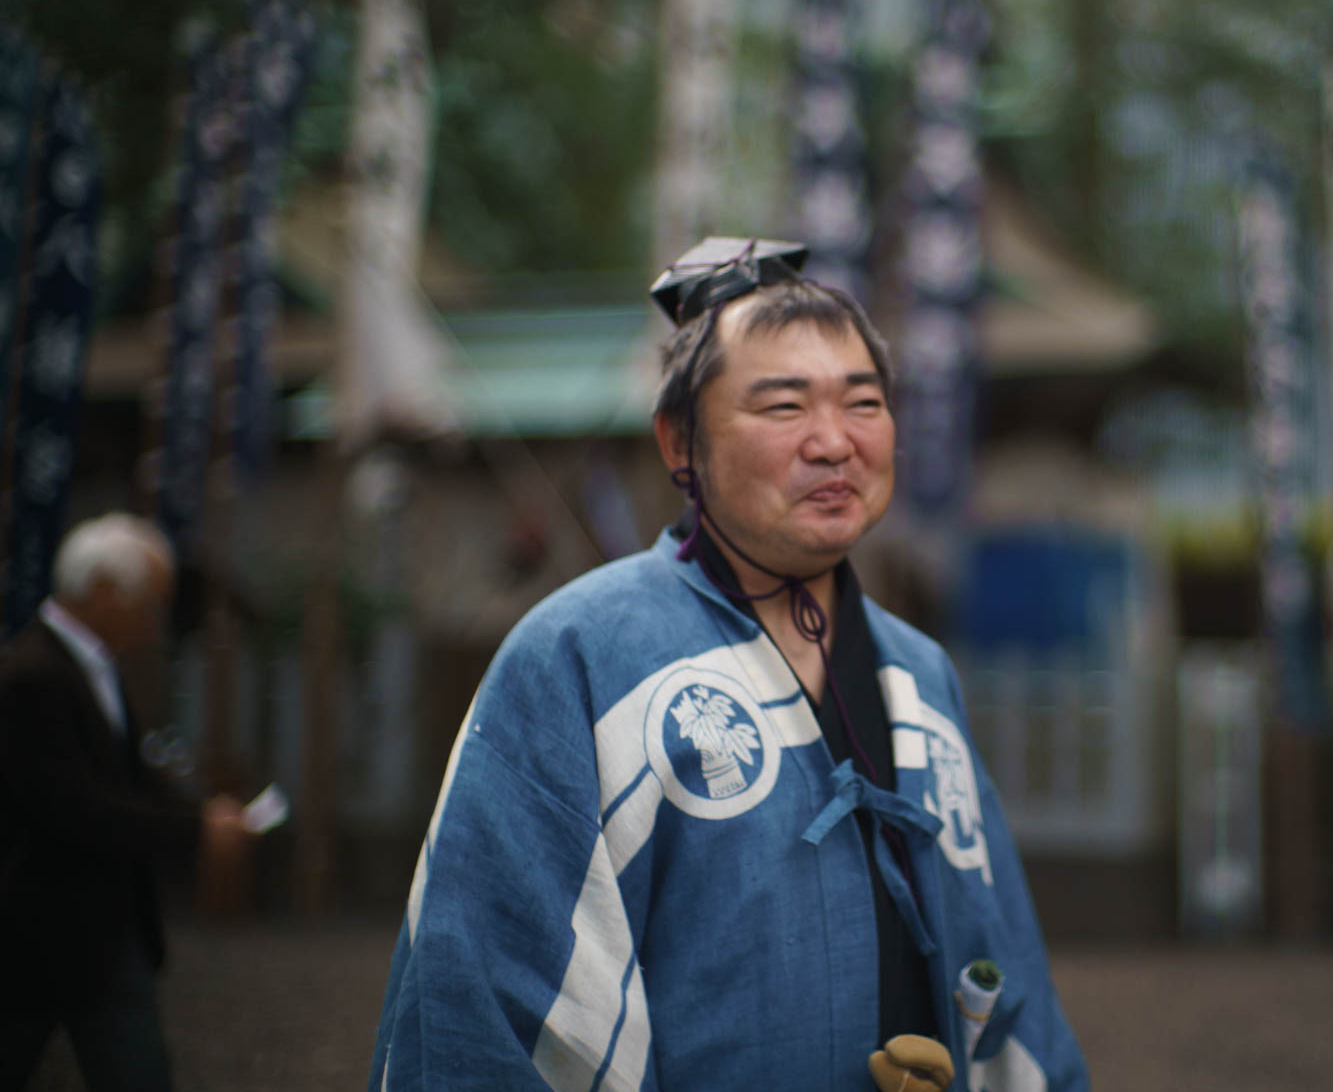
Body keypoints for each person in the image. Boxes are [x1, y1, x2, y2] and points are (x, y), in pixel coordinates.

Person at [370, 238, 1088, 1091]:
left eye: (864, 403)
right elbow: (494, 998)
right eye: (783, 407)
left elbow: (1003, 965)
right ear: (681, 440)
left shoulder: (919, 673)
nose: (834, 442)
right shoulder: (579, 653)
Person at [0, 513, 252, 1092]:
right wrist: (196, 831)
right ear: (104, 591)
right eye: (149, 601)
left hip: (102, 929)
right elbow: (76, 808)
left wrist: (202, 817)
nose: (154, 620)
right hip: (43, 930)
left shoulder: (90, 667)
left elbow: (126, 775)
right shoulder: (32, 675)